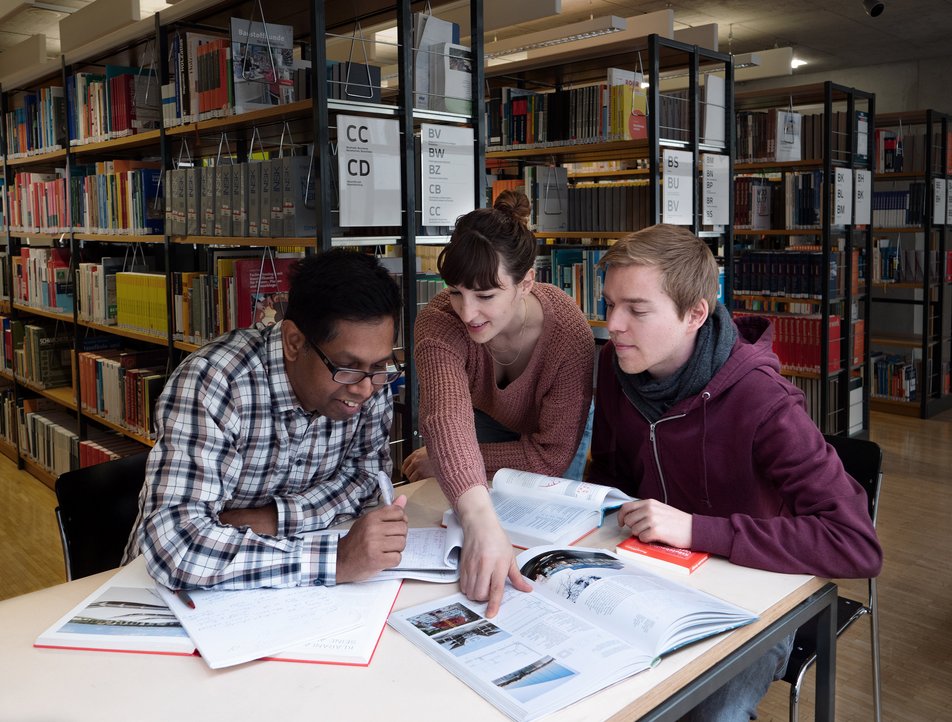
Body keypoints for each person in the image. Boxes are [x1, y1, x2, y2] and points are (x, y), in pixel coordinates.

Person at [587, 224, 883, 721]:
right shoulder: (615, 369)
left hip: (754, 603)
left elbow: (855, 544)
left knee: (704, 715)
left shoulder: (763, 400)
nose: (613, 324)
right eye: (609, 304)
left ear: (695, 314)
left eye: (636, 310)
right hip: (647, 581)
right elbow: (610, 479)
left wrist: (696, 529)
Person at [123, 249, 409, 590]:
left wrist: (273, 519)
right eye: (346, 368)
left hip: (290, 591)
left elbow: (365, 480)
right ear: (294, 342)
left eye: (379, 366)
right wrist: (336, 560)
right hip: (170, 595)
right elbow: (178, 547)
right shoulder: (216, 381)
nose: (365, 389)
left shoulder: (368, 381)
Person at [404, 190, 595, 616]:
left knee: (546, 543)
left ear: (526, 282)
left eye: (486, 296)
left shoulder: (568, 333)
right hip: (483, 417)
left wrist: (452, 460)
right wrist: (460, 467)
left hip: (550, 433)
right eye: (456, 292)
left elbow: (550, 458)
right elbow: (446, 415)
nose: (467, 312)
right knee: (466, 523)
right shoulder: (440, 320)